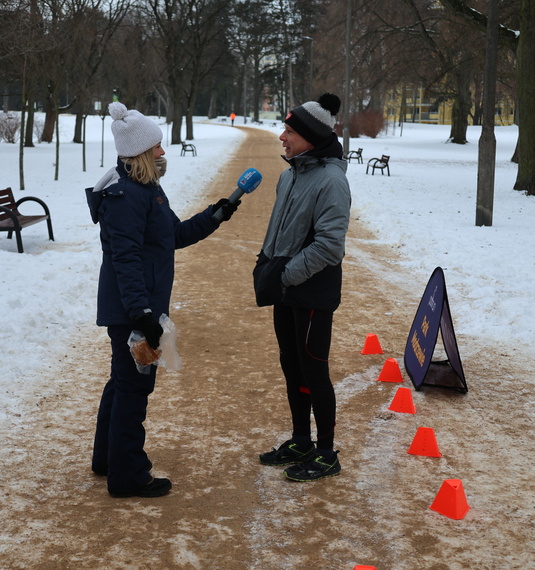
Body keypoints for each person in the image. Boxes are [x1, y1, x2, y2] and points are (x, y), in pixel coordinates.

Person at [86, 102, 239, 498]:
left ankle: (108, 459)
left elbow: (173, 236)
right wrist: (143, 314)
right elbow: (126, 259)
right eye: (156, 147)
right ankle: (128, 475)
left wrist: (216, 215)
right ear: (140, 152)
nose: (163, 152)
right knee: (134, 390)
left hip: (139, 308)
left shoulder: (147, 190)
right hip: (133, 311)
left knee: (121, 385)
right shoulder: (125, 197)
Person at [253, 93, 351, 482]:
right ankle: (300, 441)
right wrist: (267, 265)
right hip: (287, 289)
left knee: (314, 371)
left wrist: (286, 275)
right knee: (291, 366)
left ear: (311, 137)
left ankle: (326, 453)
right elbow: (280, 231)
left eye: (290, 131)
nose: (282, 136)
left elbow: (330, 245)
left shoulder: (331, 180)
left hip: (311, 292)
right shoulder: (290, 174)